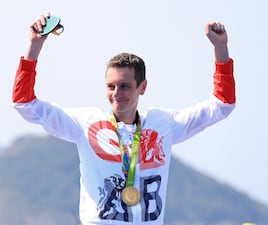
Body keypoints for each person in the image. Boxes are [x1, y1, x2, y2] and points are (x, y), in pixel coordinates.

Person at [12, 13, 236, 225]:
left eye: (125, 86)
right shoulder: (86, 123)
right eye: (111, 86)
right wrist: (34, 46)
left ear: (143, 87)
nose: (117, 93)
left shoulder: (163, 124)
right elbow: (24, 104)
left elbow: (222, 105)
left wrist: (220, 49)